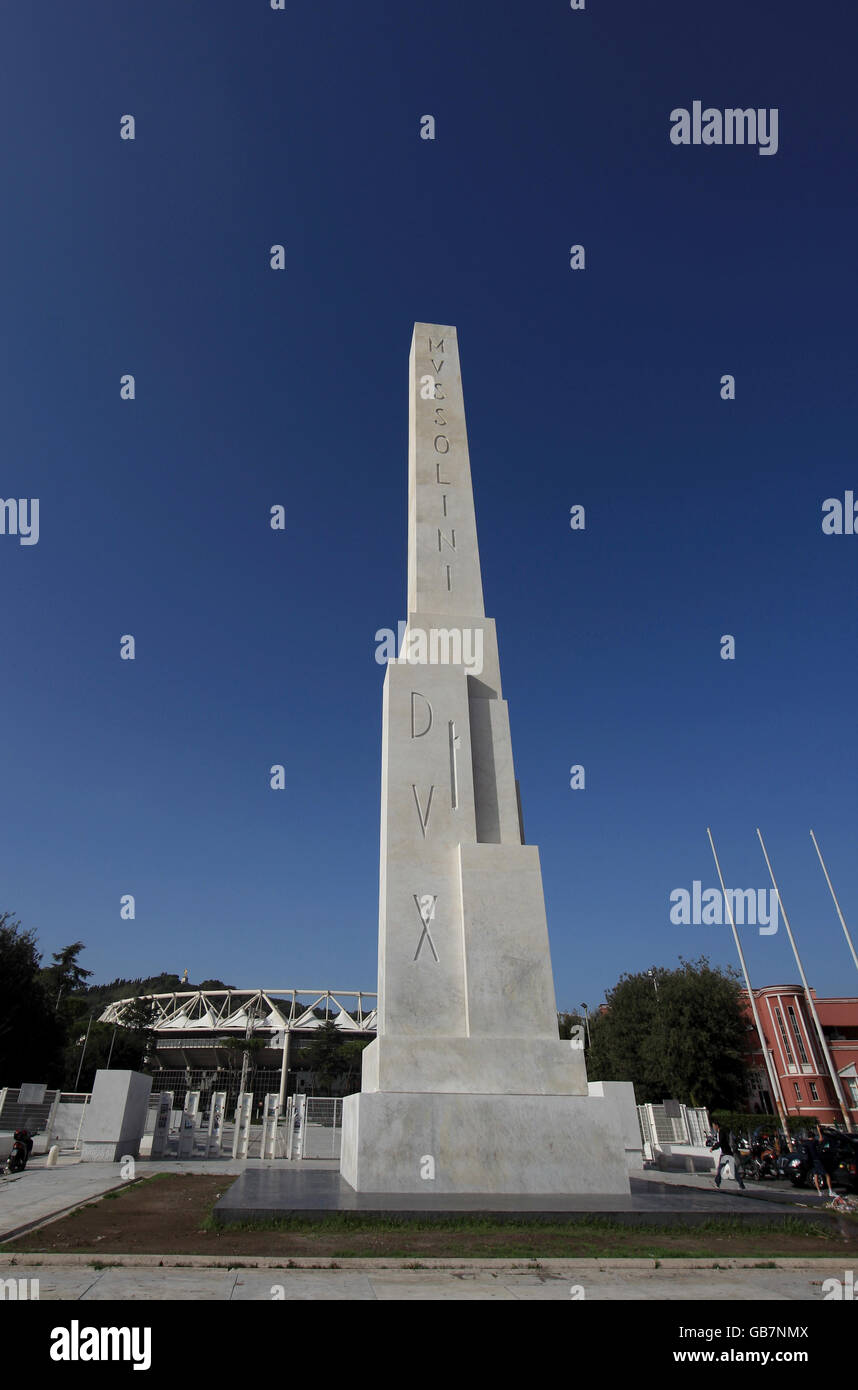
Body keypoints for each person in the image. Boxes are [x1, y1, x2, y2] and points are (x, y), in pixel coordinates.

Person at [711, 1119, 746, 1191]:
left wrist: (713, 1148)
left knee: (721, 1169)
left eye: (714, 1126)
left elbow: (721, 1142)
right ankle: (741, 1184)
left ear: (717, 1125)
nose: (713, 1127)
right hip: (727, 1153)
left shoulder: (721, 1132)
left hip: (726, 1154)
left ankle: (717, 1183)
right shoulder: (722, 1131)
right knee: (733, 1170)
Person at [804, 1127, 834, 1198]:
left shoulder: (806, 1144)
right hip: (817, 1160)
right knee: (827, 1174)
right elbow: (821, 1139)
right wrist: (819, 1131)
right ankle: (830, 1191)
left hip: (811, 1161)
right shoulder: (814, 1142)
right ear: (813, 1137)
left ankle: (819, 1192)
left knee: (815, 1176)